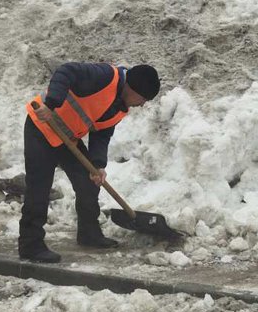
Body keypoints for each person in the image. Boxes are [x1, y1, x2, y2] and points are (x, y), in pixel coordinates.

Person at [19, 61, 161, 263]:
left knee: (88, 181)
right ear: (133, 88)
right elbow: (66, 71)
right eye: (143, 98)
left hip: (68, 138)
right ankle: (30, 245)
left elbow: (102, 134)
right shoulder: (104, 76)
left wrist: (97, 165)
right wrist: (50, 104)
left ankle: (89, 233)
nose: (143, 104)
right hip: (42, 127)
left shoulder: (120, 107)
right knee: (39, 189)